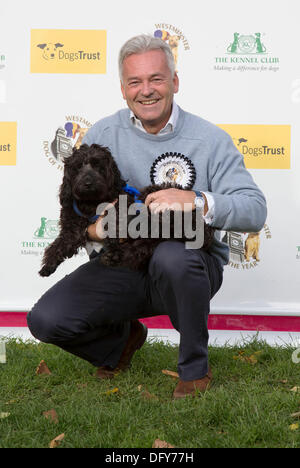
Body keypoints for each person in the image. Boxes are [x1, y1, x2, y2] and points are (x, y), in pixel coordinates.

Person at [27, 35, 267, 399]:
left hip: (187, 265)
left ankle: (194, 369)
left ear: (174, 82)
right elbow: (76, 203)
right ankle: (121, 342)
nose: (146, 91)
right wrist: (94, 230)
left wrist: (197, 199)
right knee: (46, 319)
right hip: (121, 260)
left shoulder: (211, 140)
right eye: (135, 82)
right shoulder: (104, 133)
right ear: (123, 89)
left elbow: (254, 209)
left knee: (173, 255)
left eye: (156, 79)